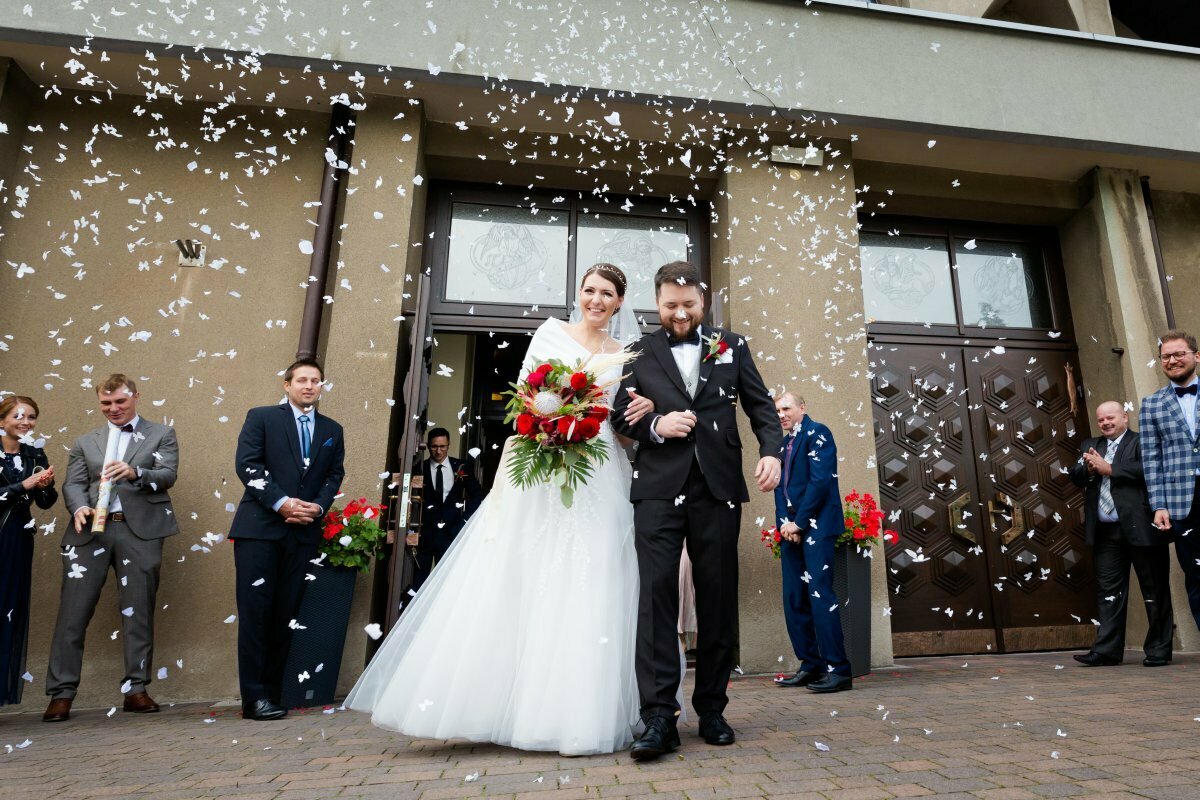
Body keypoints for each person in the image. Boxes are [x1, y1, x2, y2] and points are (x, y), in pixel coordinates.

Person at [346, 263, 654, 756]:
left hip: (597, 470)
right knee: (523, 573)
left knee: (595, 576)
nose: (596, 299)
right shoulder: (550, 334)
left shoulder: (624, 354)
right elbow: (524, 401)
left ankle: (577, 710)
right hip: (543, 470)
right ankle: (492, 705)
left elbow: (618, 425)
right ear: (578, 293)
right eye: (589, 290)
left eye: (607, 293)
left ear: (620, 302)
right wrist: (547, 423)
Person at [611, 260, 782, 761]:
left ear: (703, 303)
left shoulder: (733, 344)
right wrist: (657, 425)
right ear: (657, 303)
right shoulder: (637, 351)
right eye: (670, 305)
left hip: (718, 487)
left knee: (717, 599)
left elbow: (761, 407)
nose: (680, 313)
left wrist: (771, 450)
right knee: (657, 598)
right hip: (659, 490)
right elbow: (619, 412)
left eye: (689, 305)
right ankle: (659, 717)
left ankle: (711, 708)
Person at [44, 374, 179, 722]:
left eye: (120, 401)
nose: (114, 409)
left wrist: (136, 472)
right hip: (89, 534)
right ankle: (61, 693)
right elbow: (73, 483)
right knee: (73, 614)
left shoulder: (162, 434)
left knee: (138, 610)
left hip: (139, 533)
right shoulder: (85, 441)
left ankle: (136, 689)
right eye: (106, 403)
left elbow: (167, 474)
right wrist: (78, 508)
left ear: (135, 397)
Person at [231, 358, 346, 721]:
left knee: (285, 615)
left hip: (302, 534)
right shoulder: (262, 417)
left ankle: (274, 693)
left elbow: (334, 473)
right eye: (302, 380)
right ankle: (253, 698)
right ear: (287, 385)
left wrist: (317, 506)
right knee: (256, 614)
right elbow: (248, 465)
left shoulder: (332, 429)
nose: (309, 386)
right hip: (259, 531)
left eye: (316, 381)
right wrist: (282, 503)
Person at [1069, 401, 1173, 667]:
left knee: (1154, 589)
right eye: (1101, 419)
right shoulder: (1089, 445)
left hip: (1141, 529)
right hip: (1106, 532)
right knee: (1108, 592)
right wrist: (1089, 468)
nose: (1105, 423)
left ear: (1124, 417)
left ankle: (1159, 650)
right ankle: (1106, 651)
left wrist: (1111, 469)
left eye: (1111, 418)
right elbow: (1076, 475)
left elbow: (1151, 470)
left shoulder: (1142, 442)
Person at [770, 392, 852, 692]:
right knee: (794, 597)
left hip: (817, 525)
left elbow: (821, 482)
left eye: (786, 408)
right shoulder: (782, 444)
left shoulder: (819, 433)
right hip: (791, 528)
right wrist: (783, 524)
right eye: (777, 410)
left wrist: (799, 522)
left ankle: (839, 670)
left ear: (802, 408)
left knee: (820, 595)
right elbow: (779, 486)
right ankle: (811, 664)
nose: (781, 414)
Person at [1140, 329, 1200, 633]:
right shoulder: (1151, 405)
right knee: (1196, 573)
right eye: (1166, 356)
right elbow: (1152, 459)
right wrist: (1158, 505)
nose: (1173, 360)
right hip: (1182, 502)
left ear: (1195, 356)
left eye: (1179, 354)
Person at [0, 396, 57, 707]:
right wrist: (24, 485)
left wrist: (46, 485)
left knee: (11, 609)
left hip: (19, 539)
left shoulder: (34, 452)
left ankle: (3, 692)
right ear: (2, 420)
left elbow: (46, 502)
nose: (26, 422)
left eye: (32, 416)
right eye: (19, 416)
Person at [411, 427, 483, 591]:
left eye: (442, 446)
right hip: (426, 534)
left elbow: (477, 495)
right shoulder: (419, 468)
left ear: (448, 445)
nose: (438, 451)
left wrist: (464, 520)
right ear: (428, 446)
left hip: (451, 531)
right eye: (434, 446)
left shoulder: (461, 466)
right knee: (419, 581)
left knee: (447, 582)